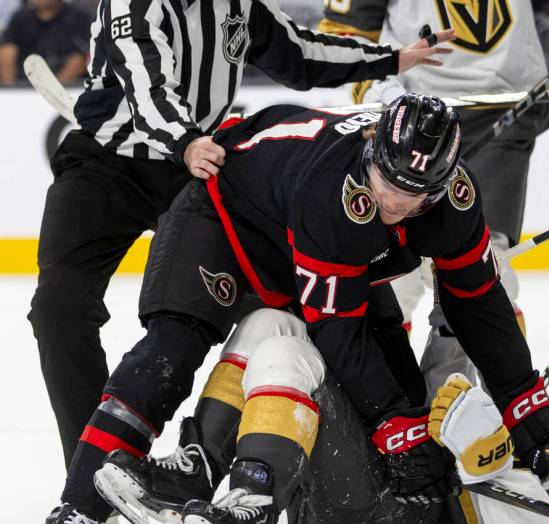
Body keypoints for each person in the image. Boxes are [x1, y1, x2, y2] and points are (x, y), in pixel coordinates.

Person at [34, 94, 549, 524]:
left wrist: (528, 404)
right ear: (372, 148)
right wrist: (391, 424)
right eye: (389, 183)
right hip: (226, 219)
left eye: (417, 194)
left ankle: (261, 501)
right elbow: (336, 330)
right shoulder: (338, 187)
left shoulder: (452, 198)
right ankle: (86, 507)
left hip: (321, 241)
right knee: (167, 357)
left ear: (449, 180)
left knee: (399, 397)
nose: (397, 203)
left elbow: (480, 303)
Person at [26, 0, 451, 491]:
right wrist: (183, 139)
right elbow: (147, 80)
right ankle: (92, 477)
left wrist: (391, 59)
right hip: (109, 167)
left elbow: (298, 53)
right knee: (59, 310)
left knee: (303, 296)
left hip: (200, 165)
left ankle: (277, 453)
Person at [95, 306, 549, 524]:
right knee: (270, 323)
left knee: (287, 356)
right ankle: (198, 473)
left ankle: (248, 522)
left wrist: (489, 461)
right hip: (370, 511)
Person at [319, 0, 549, 339]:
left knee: (483, 268)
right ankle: (387, 385)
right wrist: (382, 89)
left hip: (506, 106)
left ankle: (457, 387)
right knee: (392, 274)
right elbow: (343, 37)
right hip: (407, 118)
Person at [0, 0, 90, 85]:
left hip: (68, 88)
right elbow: (6, 53)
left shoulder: (79, 17)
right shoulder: (20, 18)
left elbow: (79, 59)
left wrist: (54, 92)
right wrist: (11, 89)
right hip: (22, 86)